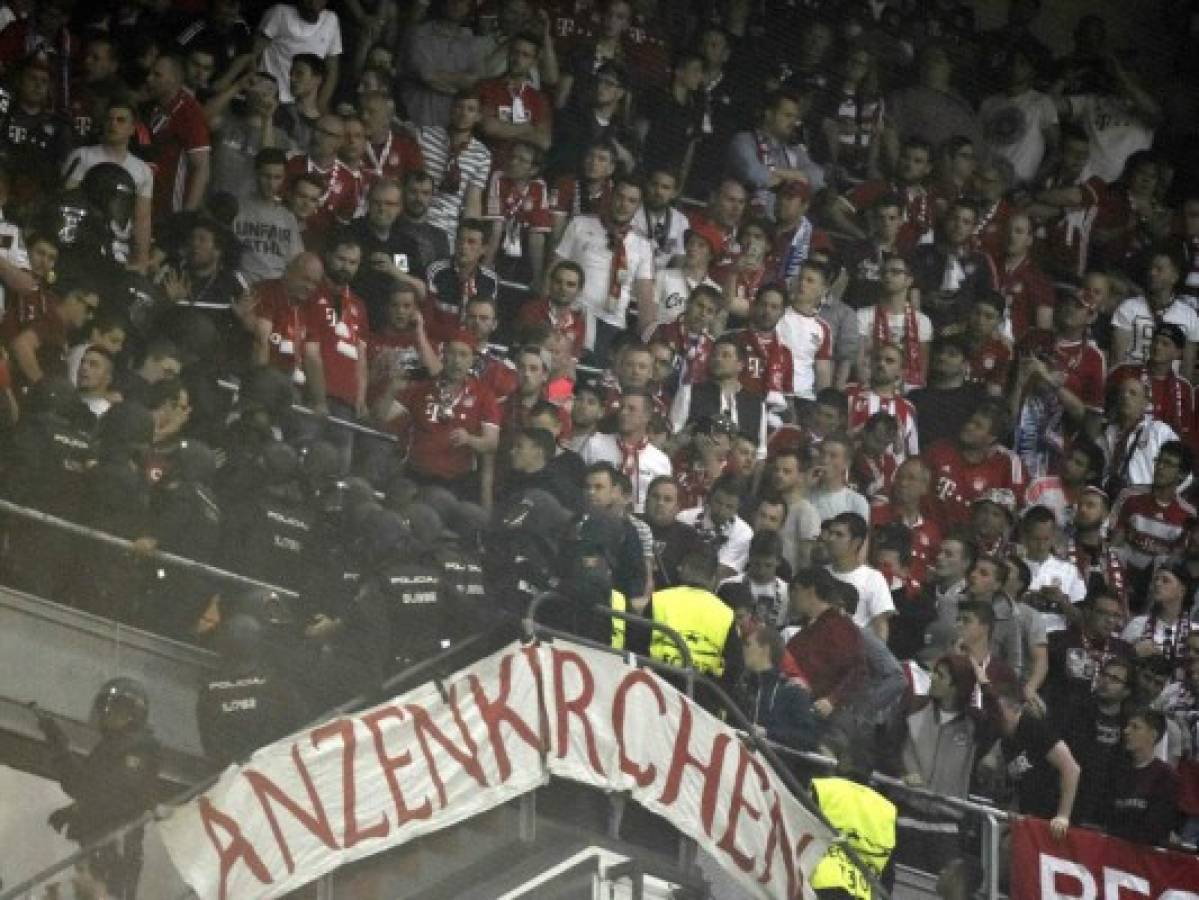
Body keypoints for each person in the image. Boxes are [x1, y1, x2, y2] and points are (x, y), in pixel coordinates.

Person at [37, 678, 160, 899]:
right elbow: (83, 787)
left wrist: (77, 811)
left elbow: (113, 797)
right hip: (99, 845)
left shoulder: (140, 750)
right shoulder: (110, 748)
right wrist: (59, 747)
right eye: (105, 709)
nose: (106, 714)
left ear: (132, 714)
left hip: (115, 848)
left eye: (114, 709)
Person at [391, 328, 500, 508]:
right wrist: (391, 390)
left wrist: (469, 439)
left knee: (431, 502)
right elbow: (381, 418)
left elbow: (491, 443)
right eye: (452, 354)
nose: (457, 361)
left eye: (463, 355)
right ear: (443, 355)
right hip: (414, 475)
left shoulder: (484, 396)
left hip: (453, 483)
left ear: (472, 359)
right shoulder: (420, 388)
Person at [552, 174, 655, 364]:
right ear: (610, 196)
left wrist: (644, 345)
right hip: (572, 315)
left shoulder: (643, 245)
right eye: (620, 197)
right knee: (561, 377)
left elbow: (646, 302)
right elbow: (554, 270)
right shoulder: (580, 224)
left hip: (612, 326)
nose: (624, 204)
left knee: (591, 385)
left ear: (638, 206)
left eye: (631, 201)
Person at [618, 544, 742, 692]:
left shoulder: (660, 599)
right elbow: (735, 668)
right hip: (703, 697)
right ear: (714, 577)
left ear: (683, 570)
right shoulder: (726, 613)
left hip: (657, 688)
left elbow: (636, 645)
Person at [196, 611, 307, 768]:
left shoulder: (210, 690)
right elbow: (300, 728)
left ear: (223, 645)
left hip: (229, 776)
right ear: (259, 644)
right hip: (273, 771)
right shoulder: (278, 685)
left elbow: (209, 743)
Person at [61, 96, 153, 272]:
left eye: (121, 120)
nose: (113, 124)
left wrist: (141, 261)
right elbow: (66, 202)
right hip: (81, 244)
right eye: (109, 119)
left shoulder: (143, 170)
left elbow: (142, 220)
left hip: (120, 251)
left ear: (133, 128)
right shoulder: (82, 156)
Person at [809, 728, 897, 900]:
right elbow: (888, 871)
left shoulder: (825, 788)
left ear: (845, 761)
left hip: (820, 883)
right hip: (862, 891)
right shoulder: (887, 809)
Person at [580, 389, 671, 513]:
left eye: (631, 409)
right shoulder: (595, 443)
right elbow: (578, 483)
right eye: (622, 407)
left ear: (647, 416)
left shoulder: (660, 460)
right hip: (596, 517)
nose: (623, 413)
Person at [143, 54, 212, 219]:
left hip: (172, 211)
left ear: (174, 79)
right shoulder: (153, 107)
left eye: (157, 75)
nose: (149, 79)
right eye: (150, 73)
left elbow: (202, 167)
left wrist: (186, 216)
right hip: (149, 204)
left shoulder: (189, 112)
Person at [255, 0, 343, 110]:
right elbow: (252, 54)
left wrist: (320, 106)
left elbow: (332, 72)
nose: (314, 3)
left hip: (302, 107)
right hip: (268, 98)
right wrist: (254, 88)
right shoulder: (279, 12)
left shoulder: (331, 20)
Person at [744, 625, 817, 752]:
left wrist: (768, 733)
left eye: (748, 644)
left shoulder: (793, 692)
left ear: (765, 650)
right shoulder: (743, 684)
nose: (743, 649)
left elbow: (808, 738)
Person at [824, 512, 894, 641]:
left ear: (856, 542)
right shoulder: (820, 574)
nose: (831, 539)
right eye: (830, 533)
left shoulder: (873, 578)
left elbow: (881, 627)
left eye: (839, 535)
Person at [676, 474, 753, 578]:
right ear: (710, 497)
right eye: (718, 502)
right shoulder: (684, 518)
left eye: (729, 507)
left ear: (739, 507)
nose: (722, 511)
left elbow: (724, 572)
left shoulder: (744, 534)